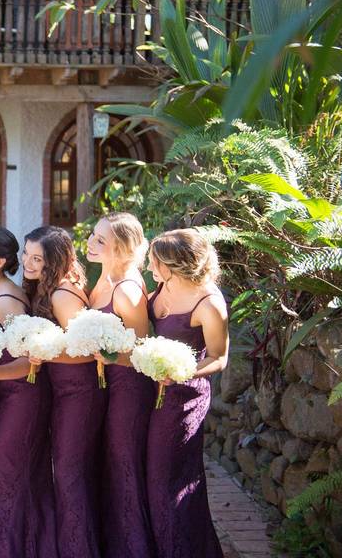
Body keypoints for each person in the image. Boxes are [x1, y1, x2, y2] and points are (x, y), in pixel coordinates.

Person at [0, 226, 57, 557]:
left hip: (23, 397)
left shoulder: (7, 302)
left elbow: (31, 363)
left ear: (0, 261)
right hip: (3, 398)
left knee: (3, 477)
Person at [23, 226, 105, 557]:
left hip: (79, 393)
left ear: (53, 260)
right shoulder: (47, 287)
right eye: (26, 255)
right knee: (68, 476)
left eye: (37, 258)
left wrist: (45, 353)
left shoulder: (61, 294)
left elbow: (90, 349)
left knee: (70, 477)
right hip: (62, 391)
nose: (28, 263)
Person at [145, 229, 228, 558]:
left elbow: (219, 358)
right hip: (150, 391)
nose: (149, 265)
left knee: (168, 478)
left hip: (183, 399)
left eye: (154, 261)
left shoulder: (210, 304)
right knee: (152, 474)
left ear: (173, 265)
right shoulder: (164, 284)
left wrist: (182, 371)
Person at [87, 212, 156, 557]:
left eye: (102, 241)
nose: (91, 243)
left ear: (122, 250)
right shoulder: (101, 278)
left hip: (127, 389)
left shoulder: (128, 291)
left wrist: (113, 358)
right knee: (105, 464)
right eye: (93, 235)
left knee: (123, 465)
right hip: (102, 387)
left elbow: (144, 353)